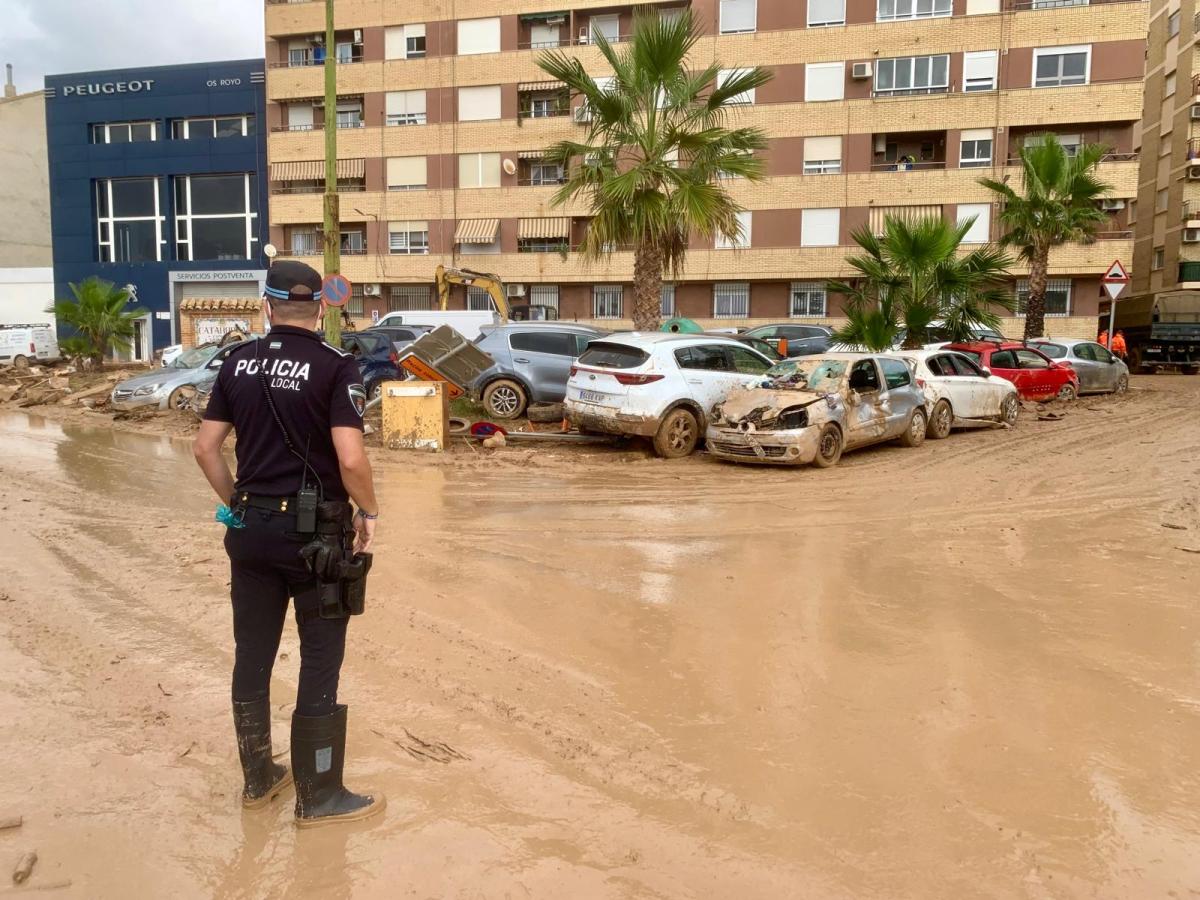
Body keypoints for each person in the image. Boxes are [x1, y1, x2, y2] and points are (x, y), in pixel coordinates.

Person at [192, 260, 385, 828]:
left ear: (267, 307)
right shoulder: (334, 366)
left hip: (249, 533)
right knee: (320, 655)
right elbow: (351, 459)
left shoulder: (235, 362)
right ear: (321, 308)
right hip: (314, 539)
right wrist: (369, 512)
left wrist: (239, 504)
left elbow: (206, 448)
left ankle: (259, 782)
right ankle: (319, 796)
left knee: (252, 653)